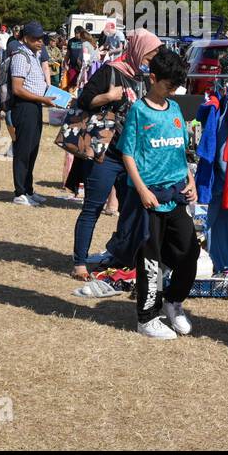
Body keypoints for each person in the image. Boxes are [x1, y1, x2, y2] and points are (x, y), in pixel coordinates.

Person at [118, 46, 199, 339]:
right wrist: (141, 190)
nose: (173, 91)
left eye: (177, 86)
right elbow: (127, 154)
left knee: (190, 251)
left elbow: (181, 150)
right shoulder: (138, 111)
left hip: (176, 194)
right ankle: (146, 318)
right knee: (149, 260)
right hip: (149, 198)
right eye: (168, 85)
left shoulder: (175, 109)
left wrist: (190, 180)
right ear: (153, 79)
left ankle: (173, 303)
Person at [68, 29, 162, 279]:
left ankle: (121, 257)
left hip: (131, 156)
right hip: (105, 154)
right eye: (150, 54)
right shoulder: (111, 70)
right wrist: (109, 96)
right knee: (93, 207)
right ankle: (79, 262)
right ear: (140, 49)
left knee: (131, 210)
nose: (151, 59)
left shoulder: (144, 78)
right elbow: (84, 100)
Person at [8, 22, 57, 206]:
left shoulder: (34, 55)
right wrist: (42, 99)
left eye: (41, 38)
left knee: (32, 150)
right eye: (36, 39)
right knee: (23, 151)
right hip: (24, 107)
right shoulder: (21, 56)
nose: (40, 42)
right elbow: (17, 89)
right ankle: (20, 192)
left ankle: (28, 189)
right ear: (26, 38)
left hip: (35, 105)